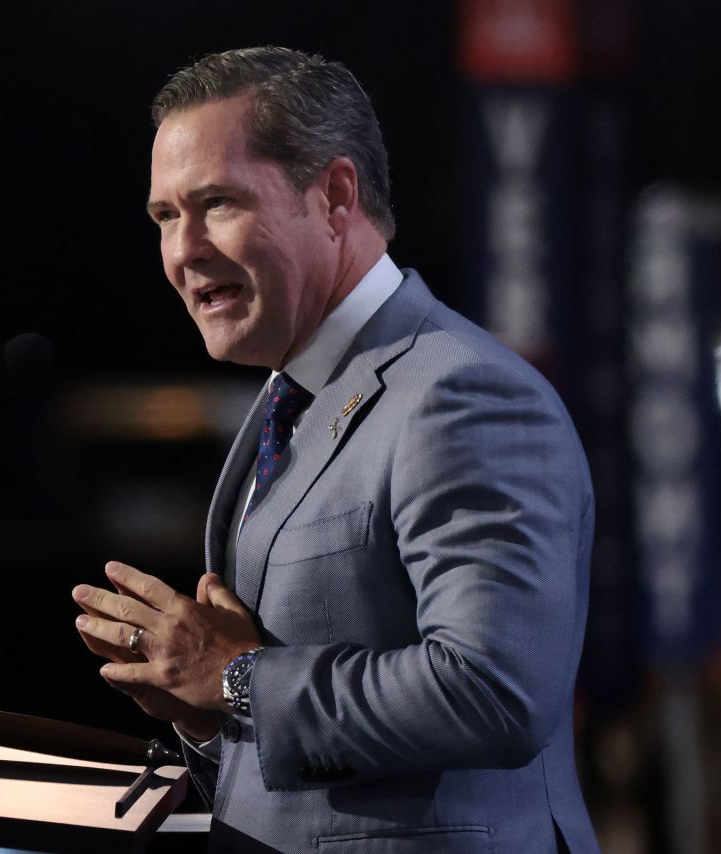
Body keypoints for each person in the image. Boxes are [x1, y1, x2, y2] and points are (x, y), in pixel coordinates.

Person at [72, 47, 596, 852]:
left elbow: (497, 691)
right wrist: (208, 712)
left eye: (216, 203)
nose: (184, 252)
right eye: (166, 217)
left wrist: (236, 677)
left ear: (335, 196)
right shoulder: (290, 394)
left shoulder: (463, 394)